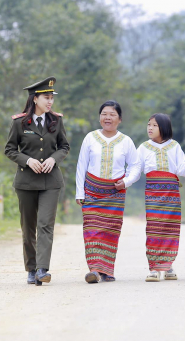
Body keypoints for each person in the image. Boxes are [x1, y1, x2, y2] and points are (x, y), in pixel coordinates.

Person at [4, 77, 70, 286]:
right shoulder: (19, 122)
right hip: (26, 182)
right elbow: (10, 150)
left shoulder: (57, 121)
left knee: (45, 225)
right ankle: (31, 269)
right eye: (46, 97)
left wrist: (53, 159)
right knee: (28, 227)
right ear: (35, 99)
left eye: (51, 98)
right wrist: (28, 160)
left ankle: (42, 269)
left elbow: (64, 147)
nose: (50, 102)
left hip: (51, 182)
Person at [127, 113, 185, 282]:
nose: (150, 128)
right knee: (154, 228)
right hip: (153, 193)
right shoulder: (143, 147)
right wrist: (124, 181)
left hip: (171, 194)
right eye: (148, 125)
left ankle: (167, 265)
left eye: (154, 125)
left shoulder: (174, 146)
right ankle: (153, 267)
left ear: (164, 127)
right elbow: (136, 170)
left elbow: (182, 167)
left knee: (170, 228)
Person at [75, 100, 141, 283]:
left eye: (112, 114)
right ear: (99, 117)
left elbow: (136, 166)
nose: (107, 118)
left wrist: (126, 182)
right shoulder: (90, 138)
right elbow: (81, 165)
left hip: (114, 193)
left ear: (119, 119)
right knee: (92, 231)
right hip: (92, 191)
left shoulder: (126, 141)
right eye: (104, 114)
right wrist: (79, 192)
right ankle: (95, 270)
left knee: (110, 231)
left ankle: (107, 269)